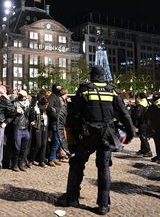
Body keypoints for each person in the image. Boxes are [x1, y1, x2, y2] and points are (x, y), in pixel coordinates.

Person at [57, 65, 135, 215]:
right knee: (104, 167)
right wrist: (130, 134)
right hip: (107, 135)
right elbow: (124, 114)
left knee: (77, 162)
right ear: (104, 75)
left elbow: (74, 114)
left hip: (89, 135)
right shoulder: (113, 90)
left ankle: (72, 197)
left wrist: (73, 135)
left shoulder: (85, 89)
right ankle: (103, 205)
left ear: (92, 75)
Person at [47, 83, 63, 167]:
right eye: (58, 88)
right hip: (54, 122)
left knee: (58, 141)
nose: (59, 90)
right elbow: (50, 109)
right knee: (56, 140)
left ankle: (54, 158)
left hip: (58, 122)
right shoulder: (52, 97)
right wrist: (57, 117)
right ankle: (51, 159)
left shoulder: (56, 97)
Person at [133, 92, 152, 157]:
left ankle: (148, 151)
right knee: (142, 136)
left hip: (142, 122)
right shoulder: (147, 102)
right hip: (147, 122)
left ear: (139, 97)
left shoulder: (141, 104)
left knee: (143, 137)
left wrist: (135, 122)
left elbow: (138, 115)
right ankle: (143, 150)